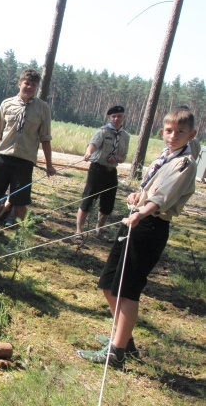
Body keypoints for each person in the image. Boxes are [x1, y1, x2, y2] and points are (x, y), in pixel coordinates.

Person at [77, 107, 198, 368]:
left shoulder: (185, 163)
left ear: (192, 134)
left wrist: (141, 212)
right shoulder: (166, 156)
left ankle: (117, 353)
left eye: (180, 132)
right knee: (109, 283)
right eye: (168, 131)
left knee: (127, 291)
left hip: (149, 228)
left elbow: (162, 198)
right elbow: (151, 190)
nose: (173, 136)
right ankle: (125, 341)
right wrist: (136, 197)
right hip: (136, 220)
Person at [0, 68, 56, 226]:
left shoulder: (43, 109)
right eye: (27, 83)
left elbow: (45, 139)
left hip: (24, 160)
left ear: (37, 88)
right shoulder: (7, 104)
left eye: (33, 85)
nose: (29, 87)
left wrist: (49, 164)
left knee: (20, 200)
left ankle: (20, 234)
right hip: (3, 156)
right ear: (19, 83)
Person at [74, 105, 130, 243]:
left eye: (119, 116)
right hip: (97, 169)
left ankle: (99, 229)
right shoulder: (103, 131)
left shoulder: (125, 136)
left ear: (124, 117)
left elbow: (123, 157)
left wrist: (117, 158)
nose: (116, 119)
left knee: (108, 204)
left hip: (111, 171)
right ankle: (78, 230)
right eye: (113, 116)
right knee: (88, 199)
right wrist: (89, 152)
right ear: (109, 118)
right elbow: (92, 144)